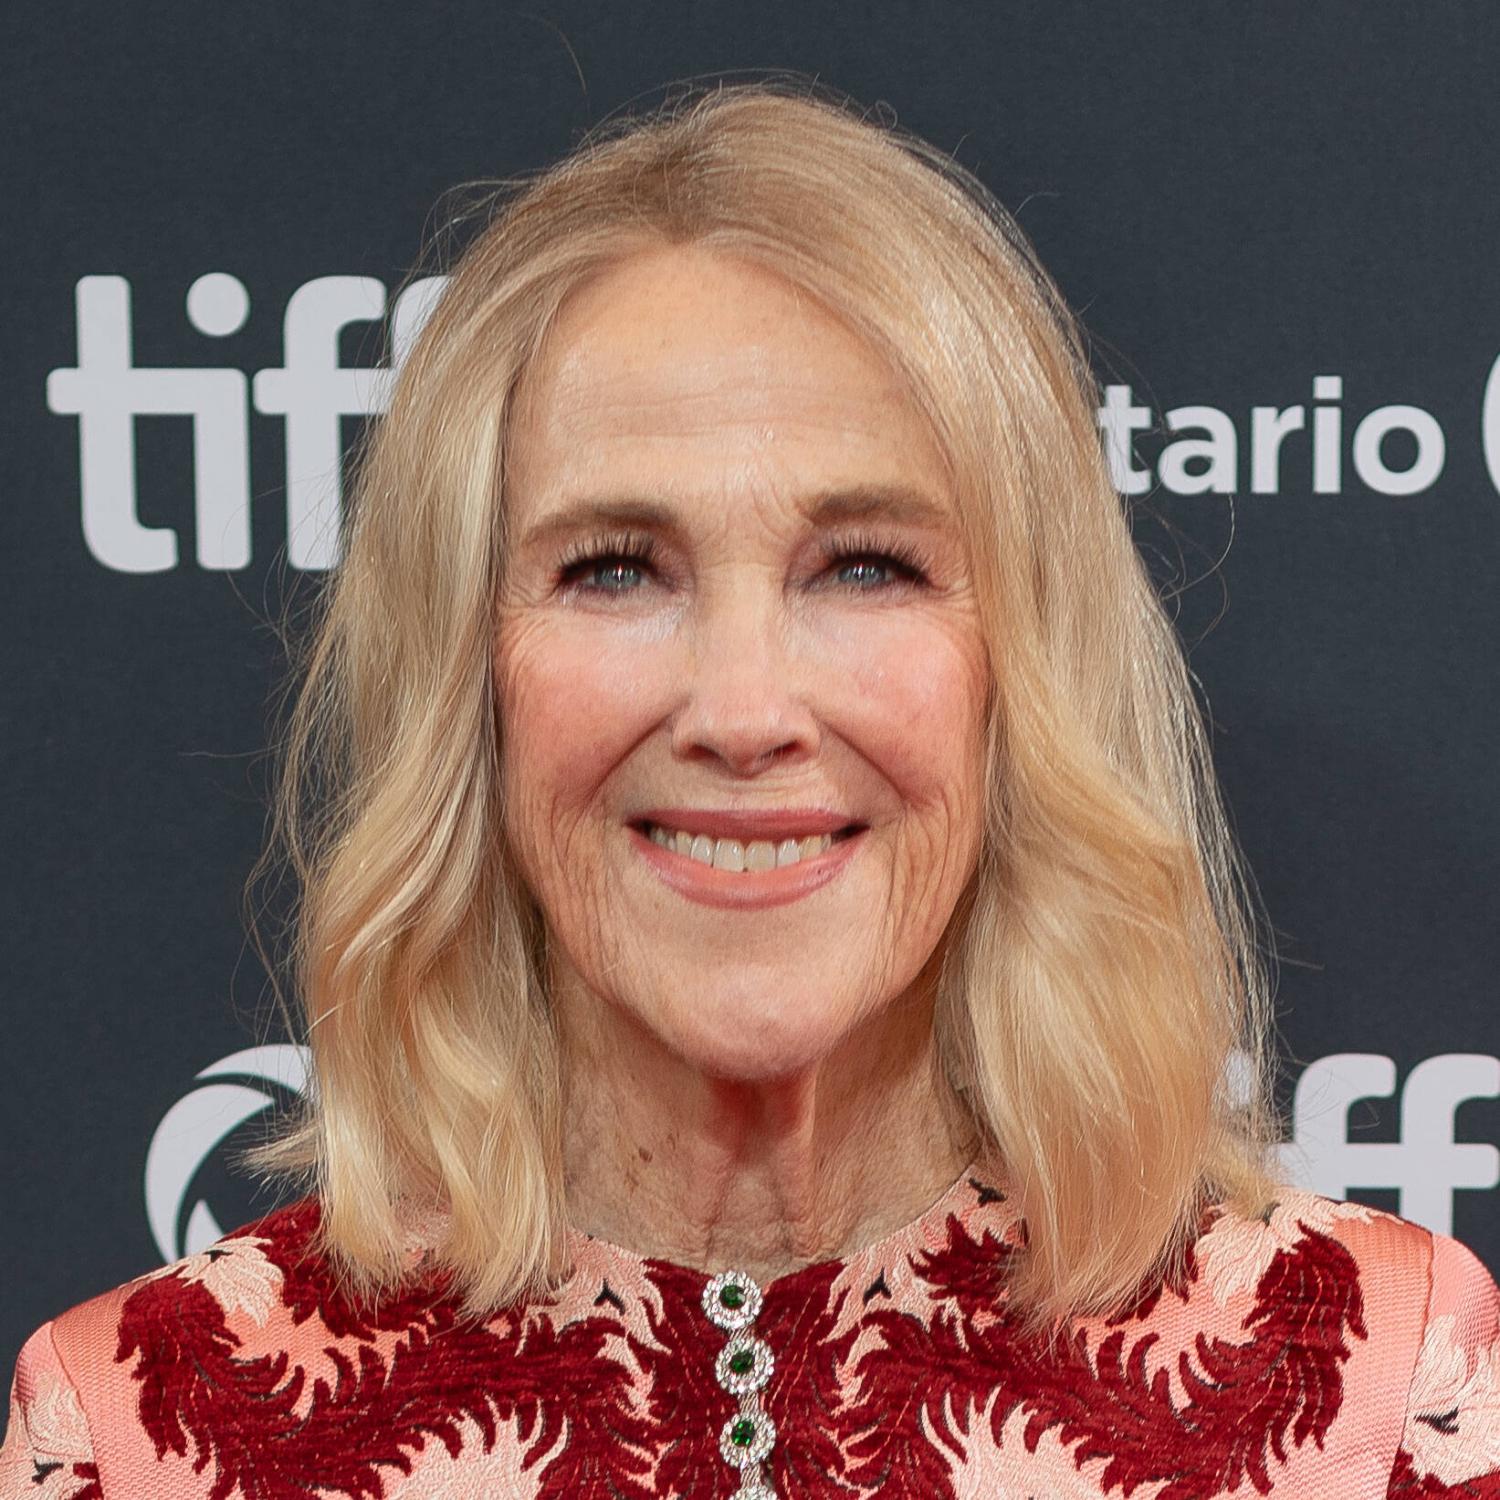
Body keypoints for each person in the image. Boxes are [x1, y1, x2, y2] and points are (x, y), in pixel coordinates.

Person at [3, 77, 1496, 1500]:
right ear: (472, 679)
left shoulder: (1379, 1394)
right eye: (613, 569)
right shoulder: (137, 1430)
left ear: (1017, 669)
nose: (741, 712)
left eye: (866, 567)